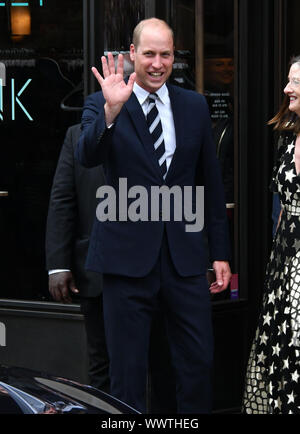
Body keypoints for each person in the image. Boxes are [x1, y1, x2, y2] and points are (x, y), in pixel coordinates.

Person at [76, 18, 231, 413]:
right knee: (126, 376)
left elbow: (209, 185)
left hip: (185, 261)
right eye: (149, 54)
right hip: (126, 261)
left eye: (166, 54)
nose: (158, 63)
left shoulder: (194, 105)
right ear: (132, 55)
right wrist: (111, 111)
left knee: (197, 365)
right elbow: (87, 155)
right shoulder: (104, 102)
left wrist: (220, 253)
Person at [243, 55, 300, 414]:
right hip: (284, 266)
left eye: (295, 82)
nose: (286, 89)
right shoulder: (287, 140)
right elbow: (278, 210)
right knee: (280, 354)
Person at [45, 124, 110, 393]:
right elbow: (63, 198)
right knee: (101, 362)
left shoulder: (165, 125)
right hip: (97, 269)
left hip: (155, 271)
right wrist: (58, 264)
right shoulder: (78, 134)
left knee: (158, 362)